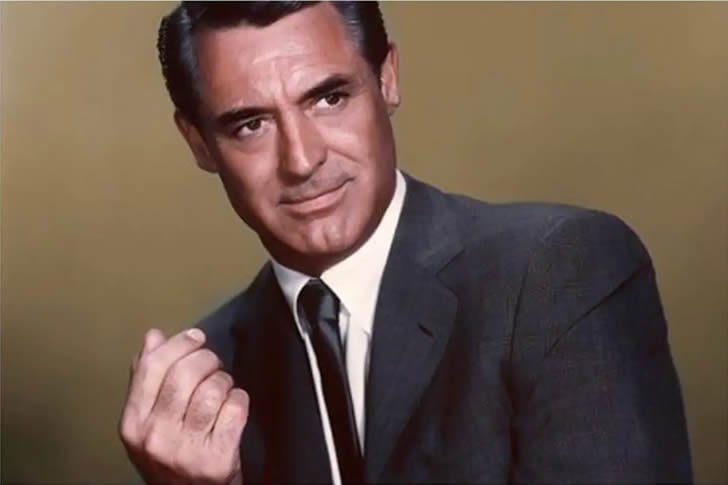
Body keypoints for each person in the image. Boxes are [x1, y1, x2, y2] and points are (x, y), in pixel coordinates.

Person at [118, 2, 693, 484]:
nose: (302, 160)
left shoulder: (557, 273)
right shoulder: (206, 386)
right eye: (251, 125)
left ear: (387, 78)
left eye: (328, 98)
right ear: (198, 143)